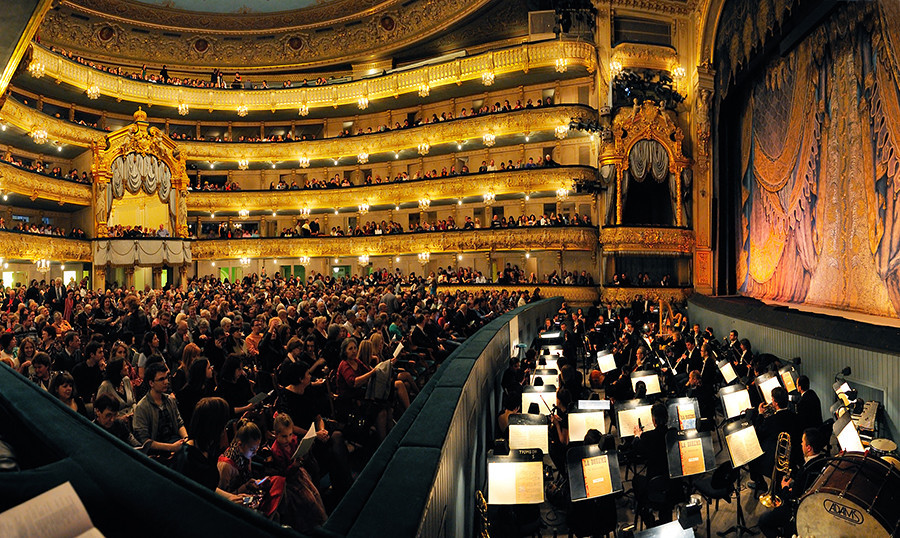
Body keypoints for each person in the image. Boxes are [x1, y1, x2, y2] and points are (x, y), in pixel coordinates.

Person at [758, 427, 829, 538]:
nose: (801, 444)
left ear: (808, 448)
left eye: (802, 442)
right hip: (813, 500)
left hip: (799, 510)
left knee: (763, 521)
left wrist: (785, 487)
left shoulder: (805, 471)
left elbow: (792, 499)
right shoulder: (824, 460)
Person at [133, 362, 188, 454]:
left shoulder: (169, 400)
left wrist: (186, 438)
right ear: (151, 383)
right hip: (158, 449)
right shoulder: (142, 407)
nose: (166, 382)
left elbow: (179, 423)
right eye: (161, 379)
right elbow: (145, 441)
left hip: (175, 442)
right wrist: (171, 447)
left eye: (166, 378)